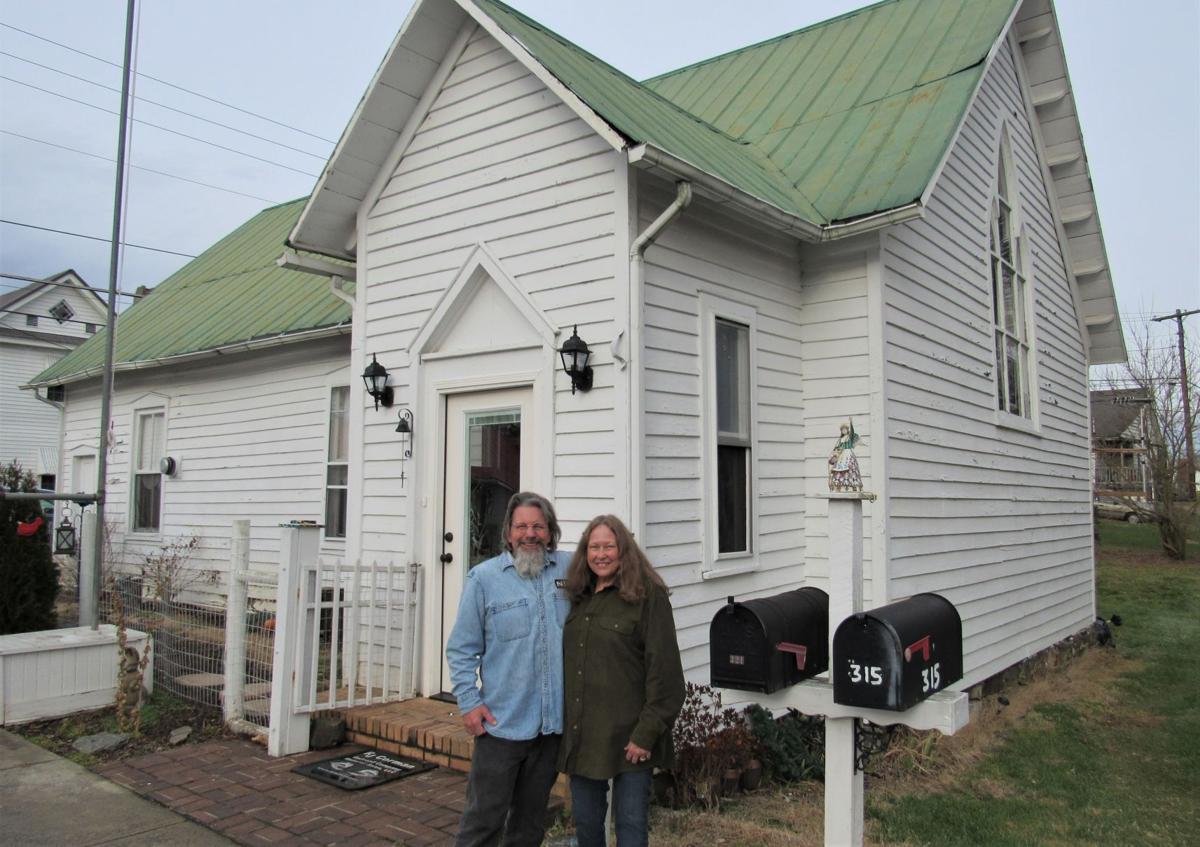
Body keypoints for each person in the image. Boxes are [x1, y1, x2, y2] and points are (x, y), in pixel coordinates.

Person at [446, 491, 572, 847]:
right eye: (521, 526)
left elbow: (615, 560)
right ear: (508, 533)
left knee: (529, 826)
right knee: (483, 823)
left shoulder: (570, 570)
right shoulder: (483, 579)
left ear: (550, 532)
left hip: (550, 730)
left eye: (538, 526)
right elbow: (461, 649)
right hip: (501, 728)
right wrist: (469, 704)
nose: (529, 533)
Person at [559, 515, 686, 847]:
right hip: (584, 737)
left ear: (624, 550)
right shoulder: (579, 594)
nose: (601, 554)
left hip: (632, 739)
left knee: (630, 827)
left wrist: (646, 734)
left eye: (609, 546)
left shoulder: (649, 596)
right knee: (587, 826)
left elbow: (667, 675)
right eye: (594, 547)